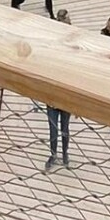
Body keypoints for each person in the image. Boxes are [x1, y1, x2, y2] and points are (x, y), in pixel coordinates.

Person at [45, 10, 73, 171]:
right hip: (53, 97)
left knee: (64, 128)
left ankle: (64, 154)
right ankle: (55, 154)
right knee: (54, 128)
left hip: (64, 96)